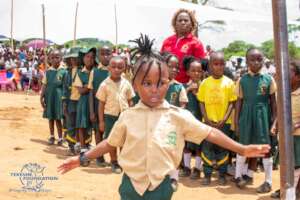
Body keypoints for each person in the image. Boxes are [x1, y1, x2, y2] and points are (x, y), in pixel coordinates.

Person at [58, 34, 270, 200]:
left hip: (162, 188)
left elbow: (210, 132)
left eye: (160, 83)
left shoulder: (178, 116)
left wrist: (241, 149)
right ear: (135, 85)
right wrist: (82, 158)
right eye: (147, 83)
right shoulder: (128, 117)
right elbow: (110, 143)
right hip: (130, 187)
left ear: (169, 83)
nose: (154, 90)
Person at [234, 48, 277, 193]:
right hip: (246, 116)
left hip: (262, 117)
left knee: (265, 148)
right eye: (252, 59)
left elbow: (273, 103)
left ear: (264, 60)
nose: (256, 62)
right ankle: (238, 176)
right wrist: (236, 122)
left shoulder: (268, 79)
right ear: (247, 62)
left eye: (259, 59)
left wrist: (274, 121)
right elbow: (238, 102)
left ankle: (268, 181)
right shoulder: (242, 80)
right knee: (243, 146)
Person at [197, 52, 237, 186]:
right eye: (215, 64)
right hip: (208, 122)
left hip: (224, 123)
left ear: (224, 65)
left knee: (222, 148)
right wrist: (206, 119)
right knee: (207, 148)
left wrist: (224, 119)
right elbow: (201, 101)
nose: (218, 67)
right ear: (209, 66)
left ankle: (221, 174)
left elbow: (232, 102)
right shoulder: (204, 83)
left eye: (221, 64)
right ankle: (207, 175)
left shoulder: (229, 83)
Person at [96, 56, 135, 173]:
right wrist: (101, 121)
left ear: (124, 69)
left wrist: (132, 115)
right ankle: (114, 161)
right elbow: (101, 104)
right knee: (111, 140)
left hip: (124, 116)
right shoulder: (104, 84)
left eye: (120, 67)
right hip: (110, 117)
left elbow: (130, 100)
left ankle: (123, 161)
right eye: (113, 67)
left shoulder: (126, 83)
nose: (116, 69)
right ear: (109, 68)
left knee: (124, 140)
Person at [270, 60, 300, 199]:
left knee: (297, 165)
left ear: (298, 77)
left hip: (297, 136)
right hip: (285, 135)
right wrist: (275, 124)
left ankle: (295, 190)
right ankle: (285, 188)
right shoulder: (283, 92)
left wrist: (295, 126)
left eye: (288, 72)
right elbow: (280, 111)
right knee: (285, 163)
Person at [163, 53, 188, 190]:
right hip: (158, 123)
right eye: (170, 66)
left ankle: (174, 177)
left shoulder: (179, 87)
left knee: (174, 150)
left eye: (176, 67)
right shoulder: (158, 84)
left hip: (173, 124)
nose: (174, 69)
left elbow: (183, 105)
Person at [161, 9, 206, 84]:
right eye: (180, 20)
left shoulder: (196, 43)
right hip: (166, 85)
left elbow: (201, 69)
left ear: (191, 24)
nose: (183, 22)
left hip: (187, 86)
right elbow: (161, 63)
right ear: (175, 24)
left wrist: (194, 84)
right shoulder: (167, 41)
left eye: (186, 20)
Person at [180, 55, 204, 180]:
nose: (196, 73)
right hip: (186, 121)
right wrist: (189, 89)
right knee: (186, 145)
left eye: (199, 71)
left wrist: (198, 93)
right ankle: (187, 167)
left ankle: (198, 168)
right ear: (188, 72)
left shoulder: (204, 86)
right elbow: (181, 102)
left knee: (199, 145)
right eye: (193, 71)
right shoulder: (183, 87)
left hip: (199, 120)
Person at [88, 45, 112, 166]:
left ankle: (114, 159)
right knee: (98, 131)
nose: (105, 56)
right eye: (102, 54)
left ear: (112, 55)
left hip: (112, 107)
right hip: (98, 106)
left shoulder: (115, 71)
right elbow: (91, 92)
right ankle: (99, 157)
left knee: (112, 133)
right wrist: (92, 111)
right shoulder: (95, 72)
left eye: (108, 54)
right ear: (98, 56)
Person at [73, 47, 97, 153]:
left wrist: (86, 86)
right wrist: (90, 86)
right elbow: (81, 91)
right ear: (83, 58)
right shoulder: (79, 73)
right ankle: (82, 148)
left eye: (92, 57)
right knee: (82, 125)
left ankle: (89, 144)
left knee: (93, 125)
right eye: (87, 57)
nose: (90, 59)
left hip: (95, 101)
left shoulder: (96, 72)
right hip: (83, 102)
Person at [40, 50, 65, 145]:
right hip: (49, 97)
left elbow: (66, 87)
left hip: (59, 98)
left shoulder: (64, 71)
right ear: (49, 59)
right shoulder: (48, 72)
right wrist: (41, 97)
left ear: (61, 58)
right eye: (52, 58)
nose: (55, 59)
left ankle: (60, 138)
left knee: (58, 118)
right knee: (50, 117)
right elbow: (44, 85)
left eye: (57, 57)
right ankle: (51, 136)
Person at [62, 47, 81, 155]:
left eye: (76, 58)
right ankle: (71, 146)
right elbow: (65, 88)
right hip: (70, 102)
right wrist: (64, 103)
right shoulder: (66, 73)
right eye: (72, 58)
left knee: (82, 124)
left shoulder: (83, 71)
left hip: (81, 102)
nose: (74, 60)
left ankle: (83, 145)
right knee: (70, 123)